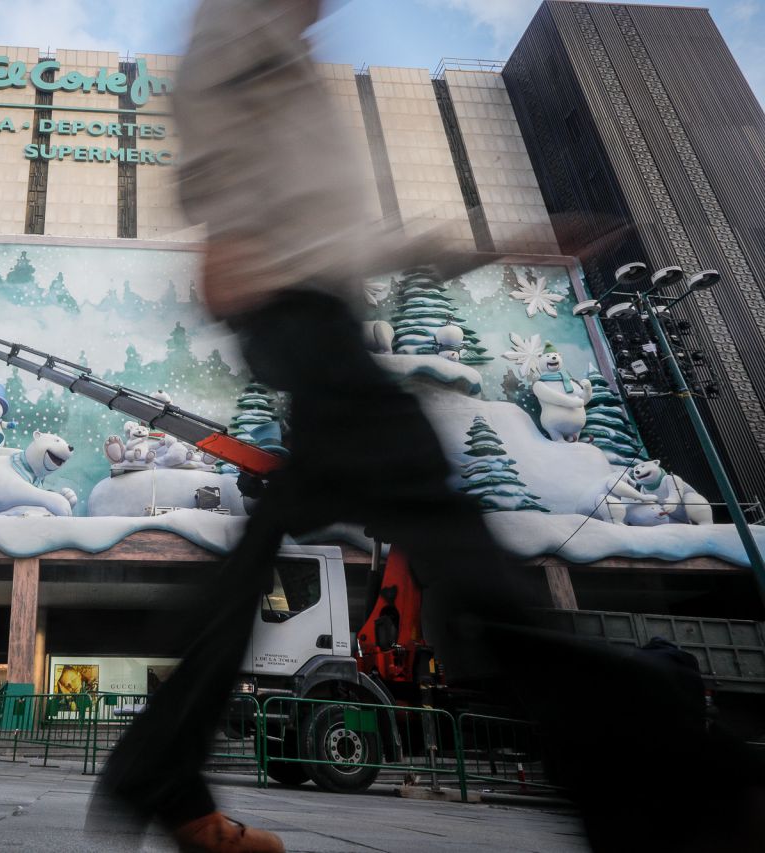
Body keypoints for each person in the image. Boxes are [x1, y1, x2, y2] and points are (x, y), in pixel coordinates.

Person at [93, 4, 765, 852]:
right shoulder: (246, 24)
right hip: (298, 318)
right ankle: (663, 786)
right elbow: (211, 124)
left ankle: (160, 766)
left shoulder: (293, 58)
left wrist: (498, 245)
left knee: (272, 546)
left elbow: (346, 236)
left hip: (313, 313)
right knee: (455, 543)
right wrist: (228, 234)